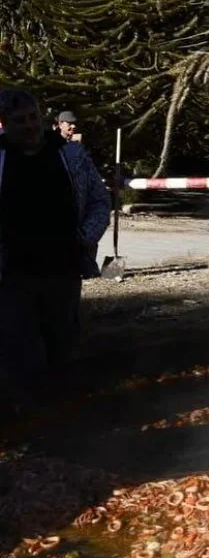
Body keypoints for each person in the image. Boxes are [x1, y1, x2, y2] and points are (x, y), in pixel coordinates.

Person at [0, 89, 110, 411]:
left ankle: (65, 416)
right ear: (5, 124)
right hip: (12, 272)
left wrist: (86, 237)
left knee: (62, 344)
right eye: (20, 121)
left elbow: (100, 201)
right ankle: (26, 423)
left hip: (63, 268)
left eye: (33, 117)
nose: (30, 125)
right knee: (18, 346)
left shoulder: (70, 155)